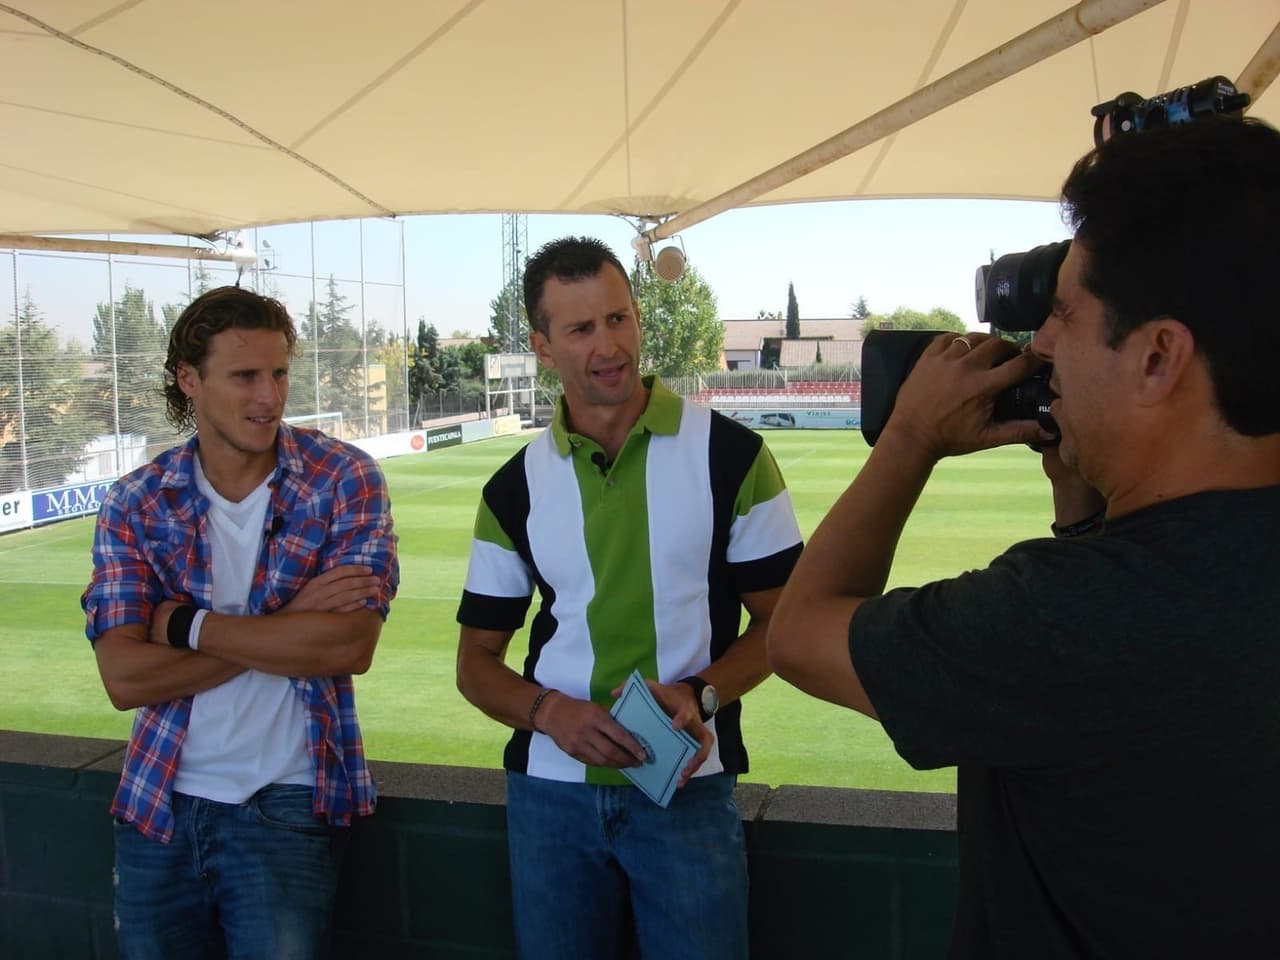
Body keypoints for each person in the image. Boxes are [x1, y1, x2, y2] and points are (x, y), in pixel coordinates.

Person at [768, 115, 1280, 958]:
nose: (1038, 344)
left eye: (1066, 316)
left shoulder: (1066, 620)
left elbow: (801, 632)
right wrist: (1083, 506)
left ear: (1158, 358)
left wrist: (908, 439)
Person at [456, 236, 803, 959]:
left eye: (619, 319)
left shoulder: (732, 456)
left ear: (639, 317)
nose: (608, 345)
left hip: (687, 785)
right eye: (580, 329)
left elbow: (785, 623)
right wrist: (552, 714)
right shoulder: (512, 487)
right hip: (549, 797)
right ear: (542, 346)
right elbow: (475, 665)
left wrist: (702, 695)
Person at [82, 285, 399, 959]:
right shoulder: (136, 502)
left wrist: (186, 627)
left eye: (279, 373)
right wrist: (289, 624)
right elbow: (124, 678)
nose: (269, 397)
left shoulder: (344, 477)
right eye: (245, 376)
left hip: (285, 805)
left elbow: (349, 643)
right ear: (189, 380)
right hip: (156, 803)